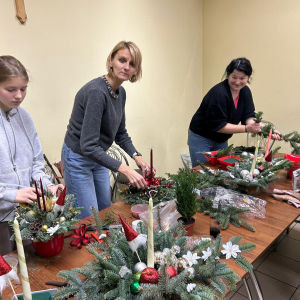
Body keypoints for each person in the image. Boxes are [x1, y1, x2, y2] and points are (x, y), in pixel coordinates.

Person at [61, 41, 151, 219]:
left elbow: (120, 133)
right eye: (122, 60)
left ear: (136, 70)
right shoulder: (97, 92)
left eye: (132, 64)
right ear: (110, 60)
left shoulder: (120, 92)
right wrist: (124, 169)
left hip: (98, 156)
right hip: (78, 158)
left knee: (105, 212)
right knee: (89, 219)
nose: (126, 67)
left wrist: (136, 156)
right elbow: (87, 146)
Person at [0, 56, 64, 255]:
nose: (19, 95)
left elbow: (36, 164)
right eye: (11, 90)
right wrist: (10, 195)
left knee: (32, 269)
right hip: (1, 220)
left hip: (28, 215)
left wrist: (48, 186)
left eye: (23, 88)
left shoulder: (25, 117)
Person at [188, 57, 282, 167]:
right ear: (228, 75)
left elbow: (249, 117)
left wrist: (268, 130)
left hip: (221, 139)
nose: (237, 82)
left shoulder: (245, 91)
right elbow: (218, 126)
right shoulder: (218, 94)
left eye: (242, 78)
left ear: (248, 77)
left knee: (221, 171)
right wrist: (247, 129)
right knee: (202, 172)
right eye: (234, 77)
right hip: (202, 137)